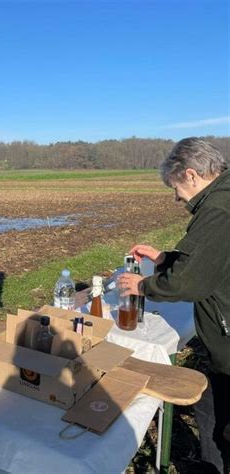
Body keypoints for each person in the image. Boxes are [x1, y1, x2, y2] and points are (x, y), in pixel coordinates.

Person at [118, 138, 229, 473]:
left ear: (192, 175)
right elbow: (212, 259)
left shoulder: (217, 211)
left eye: (175, 187)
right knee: (211, 403)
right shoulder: (223, 198)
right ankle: (210, 463)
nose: (176, 197)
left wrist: (143, 285)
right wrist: (165, 258)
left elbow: (188, 282)